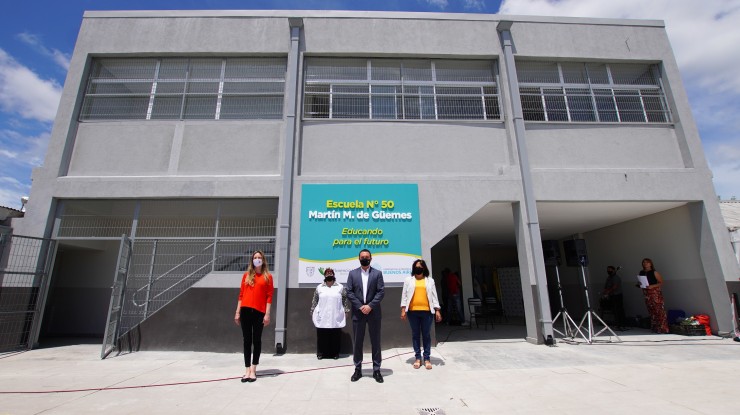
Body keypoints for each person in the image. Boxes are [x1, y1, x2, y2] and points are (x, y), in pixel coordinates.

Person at [345, 249, 385, 383]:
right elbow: (349, 292)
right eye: (362, 257)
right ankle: (357, 369)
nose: (365, 259)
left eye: (367, 257)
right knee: (358, 342)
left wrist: (370, 306)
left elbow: (381, 292)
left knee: (376, 342)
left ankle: (377, 370)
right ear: (359, 258)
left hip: (374, 313)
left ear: (371, 258)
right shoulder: (352, 274)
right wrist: (360, 306)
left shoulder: (377, 274)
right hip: (358, 313)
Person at [234, 250, 274, 383]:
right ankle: (246, 370)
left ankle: (253, 369)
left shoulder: (268, 277)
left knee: (256, 340)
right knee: (246, 340)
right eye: (255, 257)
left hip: (259, 312)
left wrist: (267, 314)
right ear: (252, 260)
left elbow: (269, 297)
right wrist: (237, 312)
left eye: (259, 257)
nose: (257, 259)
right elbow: (241, 295)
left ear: (263, 260)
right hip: (245, 311)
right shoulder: (246, 276)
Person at [400, 259, 442, 370]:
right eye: (416, 266)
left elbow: (434, 296)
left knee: (426, 335)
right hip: (412, 312)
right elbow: (404, 295)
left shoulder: (430, 281)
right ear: (414, 268)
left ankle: (427, 358)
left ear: (424, 268)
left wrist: (437, 310)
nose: (418, 268)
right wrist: (403, 310)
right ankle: (418, 358)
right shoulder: (408, 280)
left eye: (420, 266)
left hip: (427, 312)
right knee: (415, 335)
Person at [310, 268, 349, 360]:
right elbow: (315, 300)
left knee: (335, 334)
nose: (329, 274)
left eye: (330, 272)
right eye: (327, 273)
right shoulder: (319, 287)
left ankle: (335, 353)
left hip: (336, 314)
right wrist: (312, 311)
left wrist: (346, 311)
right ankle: (321, 353)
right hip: (322, 314)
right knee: (322, 334)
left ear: (333, 274)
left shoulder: (340, 287)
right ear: (324, 275)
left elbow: (344, 300)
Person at [637, 258, 669, 333]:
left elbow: (661, 282)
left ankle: (663, 328)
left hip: (655, 293)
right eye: (644, 262)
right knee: (651, 310)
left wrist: (653, 286)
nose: (645, 264)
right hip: (646, 293)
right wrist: (639, 284)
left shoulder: (654, 272)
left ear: (650, 264)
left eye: (647, 262)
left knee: (659, 310)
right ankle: (655, 327)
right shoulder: (641, 272)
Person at [600, 265, 626, 330]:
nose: (608, 271)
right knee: (614, 310)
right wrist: (604, 293)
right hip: (611, 296)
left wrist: (608, 292)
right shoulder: (609, 278)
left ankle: (622, 324)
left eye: (610, 269)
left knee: (619, 310)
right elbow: (606, 287)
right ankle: (617, 324)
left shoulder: (616, 277)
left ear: (613, 270)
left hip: (617, 295)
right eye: (607, 269)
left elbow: (615, 287)